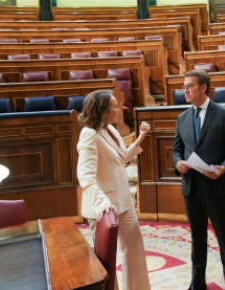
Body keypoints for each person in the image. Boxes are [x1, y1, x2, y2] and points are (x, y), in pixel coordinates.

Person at [172, 70, 225, 290]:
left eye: (189, 86)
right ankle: (197, 283)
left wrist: (224, 168)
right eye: (183, 86)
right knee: (197, 238)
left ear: (203, 88)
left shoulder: (224, 115)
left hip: (216, 187)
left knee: (223, 237)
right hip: (191, 187)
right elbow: (177, 151)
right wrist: (178, 163)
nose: (185, 90)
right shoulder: (182, 117)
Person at [76, 89, 151, 290]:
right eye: (114, 106)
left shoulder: (111, 129)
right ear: (102, 111)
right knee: (105, 260)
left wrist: (141, 136)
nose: (119, 109)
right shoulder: (88, 134)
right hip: (103, 208)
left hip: (123, 201)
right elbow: (85, 176)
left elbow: (123, 157)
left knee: (134, 248)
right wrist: (102, 202)